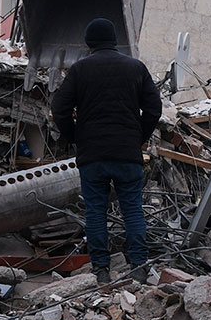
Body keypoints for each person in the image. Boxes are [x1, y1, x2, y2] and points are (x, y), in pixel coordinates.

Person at [51, 18, 162, 282]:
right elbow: (154, 108)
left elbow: (59, 109)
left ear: (89, 42)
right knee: (132, 209)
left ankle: (101, 269)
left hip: (93, 155)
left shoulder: (79, 70)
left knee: (96, 211)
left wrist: (75, 137)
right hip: (127, 153)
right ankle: (139, 266)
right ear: (114, 40)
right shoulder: (136, 68)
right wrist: (139, 136)